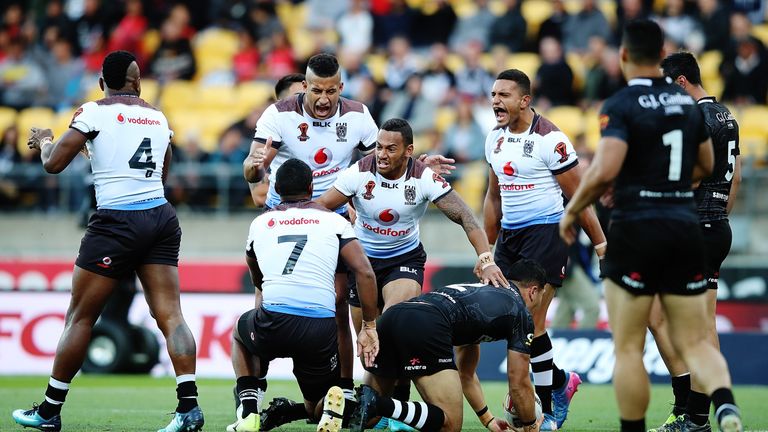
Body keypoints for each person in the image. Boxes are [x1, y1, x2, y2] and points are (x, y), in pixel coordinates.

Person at [559, 19, 743, 432]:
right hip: (707, 228)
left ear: (624, 56)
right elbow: (724, 172)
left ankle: (674, 418)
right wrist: (717, 213)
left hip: (654, 227)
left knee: (631, 343)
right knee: (694, 331)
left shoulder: (630, 105)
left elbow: (610, 170)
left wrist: (576, 212)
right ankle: (718, 406)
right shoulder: (722, 115)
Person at [244, 53, 454, 408]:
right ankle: (254, 391)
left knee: (339, 304)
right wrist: (252, 168)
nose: (324, 99)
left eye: (331, 91)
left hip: (334, 215)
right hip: (286, 214)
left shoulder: (358, 115)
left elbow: (384, 160)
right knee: (266, 299)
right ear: (305, 87)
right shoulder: (278, 115)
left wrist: (414, 166)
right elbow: (254, 171)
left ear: (341, 87)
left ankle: (340, 389)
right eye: (316, 91)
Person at [12, 50, 204, 432]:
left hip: (117, 221)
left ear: (103, 83)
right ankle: (189, 408)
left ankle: (49, 411)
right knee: (171, 315)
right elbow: (160, 172)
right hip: (160, 216)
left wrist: (47, 141)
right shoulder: (157, 115)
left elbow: (53, 164)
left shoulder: (93, 111)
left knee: (81, 316)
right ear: (138, 81)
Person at [316, 117, 507, 431]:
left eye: (391, 148)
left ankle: (385, 410)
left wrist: (485, 257)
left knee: (392, 326)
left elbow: (464, 215)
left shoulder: (422, 177)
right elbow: (322, 207)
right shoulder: (360, 172)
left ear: (408, 151)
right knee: (371, 353)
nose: (381, 153)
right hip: (362, 264)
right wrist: (336, 218)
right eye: (379, 146)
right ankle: (383, 410)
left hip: (403, 261)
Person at [483, 68, 607, 430]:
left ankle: (545, 413)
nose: (495, 101)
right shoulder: (493, 138)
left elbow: (580, 198)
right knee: (508, 321)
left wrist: (601, 244)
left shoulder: (550, 139)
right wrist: (487, 248)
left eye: (504, 95)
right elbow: (493, 195)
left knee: (530, 323)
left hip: (548, 232)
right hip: (510, 236)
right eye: (493, 95)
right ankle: (559, 382)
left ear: (525, 100)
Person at [228, 158, 380, 432]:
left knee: (239, 335)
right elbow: (365, 272)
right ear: (311, 188)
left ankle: (248, 411)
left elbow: (256, 277)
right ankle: (328, 405)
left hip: (272, 322)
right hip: (319, 328)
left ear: (276, 188)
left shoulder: (261, 223)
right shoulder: (335, 221)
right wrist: (368, 325)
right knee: (315, 407)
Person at [647, 51, 742, 432]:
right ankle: (701, 408)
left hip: (694, 227)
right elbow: (733, 180)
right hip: (716, 226)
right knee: (672, 319)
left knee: (691, 329)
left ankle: (699, 415)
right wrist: (717, 216)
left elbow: (693, 177)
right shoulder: (726, 116)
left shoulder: (692, 118)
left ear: (681, 82)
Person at [349, 259, 547, 432]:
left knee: (368, 417)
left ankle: (330, 405)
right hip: (425, 324)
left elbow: (466, 374)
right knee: (450, 424)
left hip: (392, 317)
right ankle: (379, 404)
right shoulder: (521, 313)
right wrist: (530, 425)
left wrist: (488, 420)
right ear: (533, 291)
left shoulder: (483, 294)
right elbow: (519, 381)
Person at [248, 73, 306, 207]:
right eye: (298, 96)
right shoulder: (266, 140)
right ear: (281, 103)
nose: (305, 102)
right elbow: (260, 197)